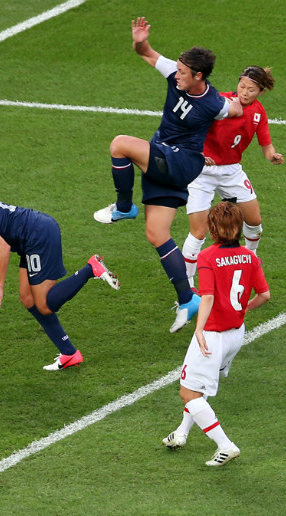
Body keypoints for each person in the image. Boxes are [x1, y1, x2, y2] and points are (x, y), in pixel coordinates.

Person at [92, 17, 243, 333]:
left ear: (198, 76)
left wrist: (242, 101)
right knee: (157, 234)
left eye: (184, 74)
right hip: (163, 161)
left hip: (181, 162)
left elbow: (237, 110)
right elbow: (145, 52)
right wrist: (138, 39)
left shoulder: (214, 103)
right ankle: (188, 299)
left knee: (120, 144)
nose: (178, 76)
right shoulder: (176, 74)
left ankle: (123, 207)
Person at [0, 169, 121, 371]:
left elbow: (4, 247)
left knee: (44, 305)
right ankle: (69, 353)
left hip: (38, 237)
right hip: (32, 235)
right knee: (28, 298)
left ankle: (91, 268)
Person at [160, 201, 270, 466]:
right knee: (201, 385)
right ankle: (182, 433)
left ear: (212, 227)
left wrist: (198, 328)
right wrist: (242, 311)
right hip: (236, 334)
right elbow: (264, 295)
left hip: (211, 336)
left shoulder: (207, 256)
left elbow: (207, 296)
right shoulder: (250, 256)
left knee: (188, 393)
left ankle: (225, 445)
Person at [182, 65, 284, 288]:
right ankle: (187, 285)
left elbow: (265, 143)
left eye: (251, 90)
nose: (244, 92)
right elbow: (189, 126)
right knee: (198, 231)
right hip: (201, 171)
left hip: (231, 171)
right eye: (242, 86)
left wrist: (272, 155)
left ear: (261, 93)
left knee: (254, 222)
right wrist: (196, 151)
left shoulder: (258, 113)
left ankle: (250, 257)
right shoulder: (219, 101)